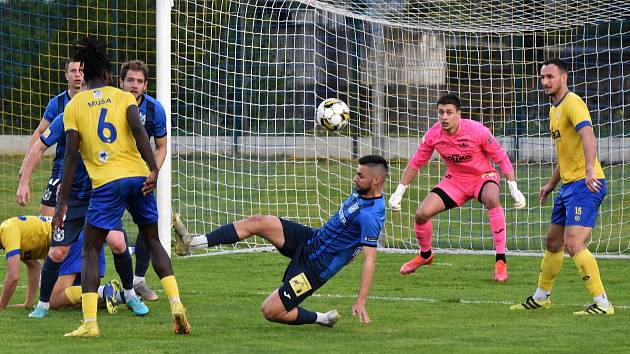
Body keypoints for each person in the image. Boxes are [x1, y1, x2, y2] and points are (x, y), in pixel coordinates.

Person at [53, 36, 190, 337]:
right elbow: (141, 132)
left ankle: (90, 324)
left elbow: (71, 156)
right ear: (107, 75)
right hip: (139, 178)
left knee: (90, 248)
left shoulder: (74, 105)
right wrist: (153, 169)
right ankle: (176, 304)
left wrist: (62, 201)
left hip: (107, 183)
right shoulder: (123, 96)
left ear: (86, 76)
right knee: (153, 240)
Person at [174, 155, 388, 326]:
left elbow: (370, 260)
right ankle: (193, 243)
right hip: (311, 239)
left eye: (360, 175)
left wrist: (361, 300)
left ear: (376, 180)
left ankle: (322, 318)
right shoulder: (363, 192)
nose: (355, 178)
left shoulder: (371, 216)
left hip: (314, 269)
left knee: (271, 310)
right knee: (259, 221)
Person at [18, 111, 149, 319]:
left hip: (102, 195)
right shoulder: (69, 115)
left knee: (118, 242)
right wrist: (24, 181)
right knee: (58, 251)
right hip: (72, 198)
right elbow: (40, 145)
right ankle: (43, 305)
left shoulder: (111, 113)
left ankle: (130, 295)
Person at [510, 58, 612, 315]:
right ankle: (542, 296)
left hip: (585, 184)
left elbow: (587, 134)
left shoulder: (573, 103)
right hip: (568, 186)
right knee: (553, 242)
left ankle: (603, 303)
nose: (545, 82)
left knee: (574, 242)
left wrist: (589, 170)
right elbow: (565, 152)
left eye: (550, 77)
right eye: (542, 77)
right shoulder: (553, 111)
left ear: (563, 78)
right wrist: (550, 184)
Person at [388, 93, 526, 282]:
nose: (444, 117)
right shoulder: (433, 135)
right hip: (455, 182)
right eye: (441, 112)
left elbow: (501, 157)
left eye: (449, 112)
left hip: (482, 177)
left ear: (458, 114)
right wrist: (399, 191)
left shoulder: (478, 131)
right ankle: (425, 255)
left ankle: (500, 260)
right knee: (421, 213)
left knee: (492, 198)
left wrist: (513, 187)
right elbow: (416, 162)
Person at [119, 59, 168, 302]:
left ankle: (138, 280)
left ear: (146, 85)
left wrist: (154, 172)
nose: (134, 85)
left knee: (149, 229)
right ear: (121, 82)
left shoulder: (154, 109)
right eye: (130, 80)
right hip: (112, 177)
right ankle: (118, 283)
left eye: (139, 81)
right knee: (109, 231)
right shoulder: (109, 105)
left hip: (141, 177)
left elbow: (161, 146)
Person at [0, 216, 108, 311]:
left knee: (53, 299)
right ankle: (110, 296)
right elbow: (34, 266)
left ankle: (107, 292)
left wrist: (1, 306)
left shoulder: (8, 232)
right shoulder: (12, 232)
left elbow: (13, 276)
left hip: (72, 240)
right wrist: (29, 303)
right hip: (77, 236)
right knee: (68, 301)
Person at [19, 59, 83, 216]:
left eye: (81, 71)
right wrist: (26, 163)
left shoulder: (95, 102)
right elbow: (41, 132)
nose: (77, 75)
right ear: (66, 75)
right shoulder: (57, 104)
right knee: (46, 219)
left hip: (89, 171)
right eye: (73, 71)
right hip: (62, 168)